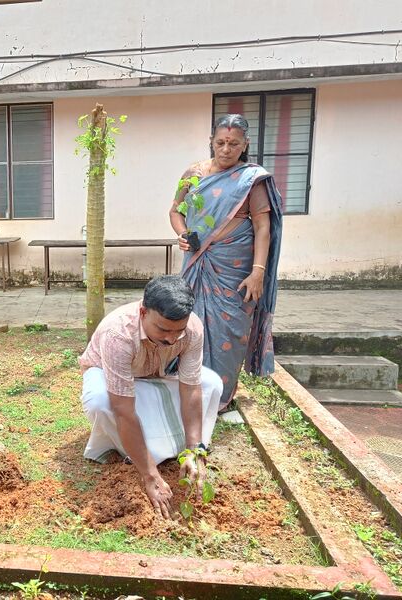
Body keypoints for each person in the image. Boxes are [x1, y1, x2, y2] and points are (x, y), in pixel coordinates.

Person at [80, 275, 223, 519]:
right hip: (108, 378)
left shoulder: (192, 329)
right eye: (163, 329)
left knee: (211, 383)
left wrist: (194, 450)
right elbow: (123, 409)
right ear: (143, 312)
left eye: (178, 331)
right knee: (100, 401)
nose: (171, 339)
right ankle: (127, 452)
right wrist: (150, 475)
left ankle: (183, 449)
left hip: (152, 375)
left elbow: (191, 389)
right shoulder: (119, 334)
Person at [170, 114, 283, 411]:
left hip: (235, 270)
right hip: (197, 262)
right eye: (220, 142)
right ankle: (186, 389)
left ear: (244, 145)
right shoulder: (193, 174)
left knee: (231, 329)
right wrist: (183, 234)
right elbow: (175, 212)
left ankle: (220, 396)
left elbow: (262, 228)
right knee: (187, 323)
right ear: (211, 142)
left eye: (233, 144)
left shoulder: (251, 180)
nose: (226, 149)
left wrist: (258, 272)